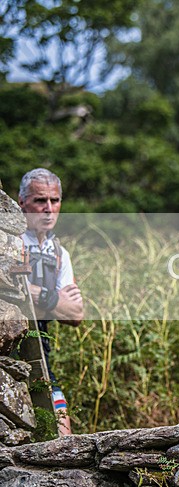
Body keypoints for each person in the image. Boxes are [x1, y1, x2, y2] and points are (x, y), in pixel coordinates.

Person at [18, 168, 84, 437]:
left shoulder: (59, 253)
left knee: (63, 439)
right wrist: (56, 301)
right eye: (39, 201)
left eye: (54, 201)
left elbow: (76, 314)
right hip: (7, 353)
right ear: (22, 202)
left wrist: (37, 295)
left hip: (41, 357)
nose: (48, 209)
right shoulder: (9, 241)